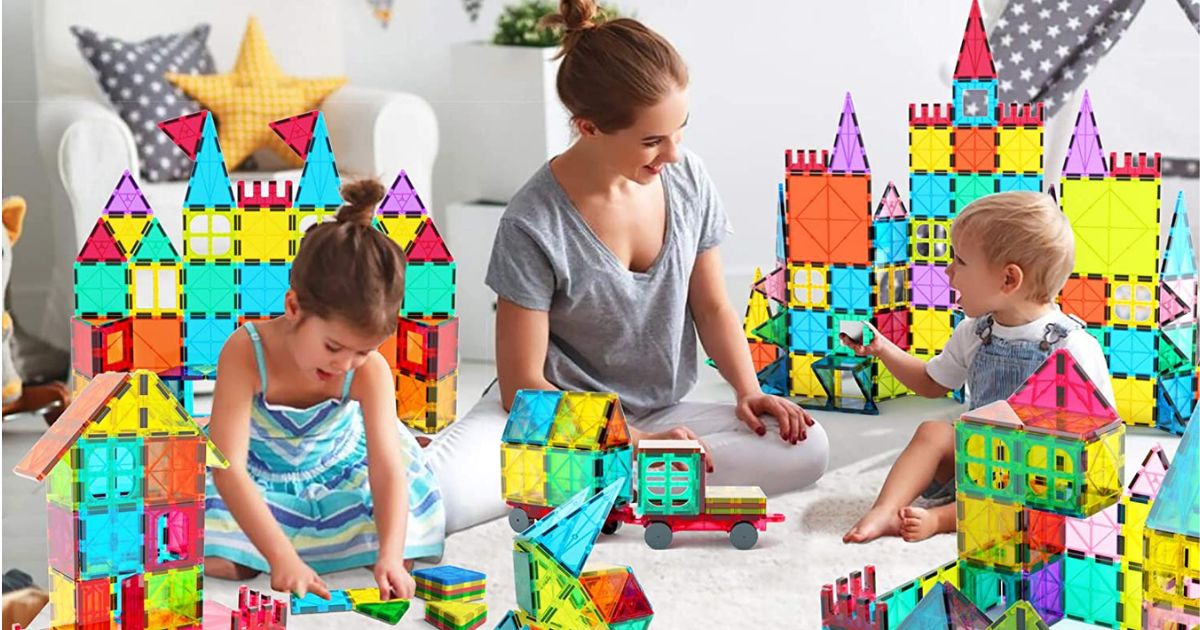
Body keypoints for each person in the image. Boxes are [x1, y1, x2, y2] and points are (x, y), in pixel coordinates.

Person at [423, 0, 829, 534]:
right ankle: (619, 475)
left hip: (656, 413)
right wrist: (635, 445)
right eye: (652, 141)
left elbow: (710, 307)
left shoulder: (689, 180)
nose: (674, 155)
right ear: (588, 127)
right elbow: (522, 386)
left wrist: (747, 391)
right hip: (557, 421)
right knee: (439, 503)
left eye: (679, 131)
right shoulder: (532, 222)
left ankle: (587, 484)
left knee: (806, 448)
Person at [204, 180, 444, 600]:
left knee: (399, 548)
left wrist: (389, 554)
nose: (344, 364)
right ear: (294, 307)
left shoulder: (368, 371)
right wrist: (282, 559)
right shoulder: (246, 351)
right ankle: (273, 549)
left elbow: (386, 468)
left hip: (337, 468)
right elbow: (229, 468)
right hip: (257, 472)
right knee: (213, 557)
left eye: (362, 351)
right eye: (334, 347)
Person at [841, 191, 1115, 544]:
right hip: (976, 461)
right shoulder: (976, 332)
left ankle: (941, 519)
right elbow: (930, 382)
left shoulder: (1072, 347)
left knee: (1032, 497)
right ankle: (885, 508)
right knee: (933, 431)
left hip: (1030, 477)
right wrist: (882, 348)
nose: (948, 270)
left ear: (1008, 280)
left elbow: (1099, 441)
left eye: (961, 261)